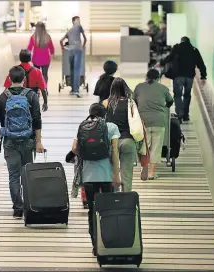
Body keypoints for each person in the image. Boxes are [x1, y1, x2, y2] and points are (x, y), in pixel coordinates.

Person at [71, 103, 121, 256]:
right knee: (107, 209)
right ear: (104, 114)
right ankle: (108, 241)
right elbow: (115, 152)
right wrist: (116, 174)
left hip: (88, 176)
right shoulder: (111, 127)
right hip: (106, 176)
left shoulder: (83, 126)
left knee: (92, 210)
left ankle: (95, 245)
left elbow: (74, 148)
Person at [0, 65, 45, 219]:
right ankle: (29, 206)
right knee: (26, 174)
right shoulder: (31, 96)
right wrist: (38, 142)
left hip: (10, 141)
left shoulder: (3, 97)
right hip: (28, 140)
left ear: (9, 78)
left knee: (13, 175)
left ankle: (17, 209)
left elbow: (2, 122)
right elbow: (37, 120)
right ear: (24, 79)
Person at [134, 69, 174, 180]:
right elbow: (170, 101)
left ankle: (144, 168)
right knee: (156, 148)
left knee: (144, 147)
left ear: (146, 77)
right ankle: (151, 173)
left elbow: (134, 101)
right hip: (159, 121)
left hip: (143, 122)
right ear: (158, 78)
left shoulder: (139, 87)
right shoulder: (163, 88)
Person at [159, 37, 207, 122]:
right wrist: (203, 76)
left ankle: (179, 114)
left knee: (177, 95)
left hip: (178, 77)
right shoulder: (194, 50)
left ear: (181, 41)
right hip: (189, 77)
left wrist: (161, 63)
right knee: (187, 96)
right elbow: (201, 64)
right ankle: (185, 115)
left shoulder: (177, 48)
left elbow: (170, 57)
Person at [102, 78, 137, 192]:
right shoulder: (131, 103)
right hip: (128, 140)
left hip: (112, 142)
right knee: (127, 174)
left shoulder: (106, 102)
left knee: (112, 171)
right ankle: (126, 199)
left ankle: (115, 200)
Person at [60, 16, 87, 98]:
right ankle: (76, 90)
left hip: (70, 51)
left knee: (71, 70)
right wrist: (82, 46)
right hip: (78, 50)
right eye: (78, 20)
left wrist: (63, 47)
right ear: (74, 21)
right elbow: (85, 38)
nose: (79, 21)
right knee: (77, 70)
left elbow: (61, 41)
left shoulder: (69, 30)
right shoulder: (79, 26)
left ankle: (72, 89)